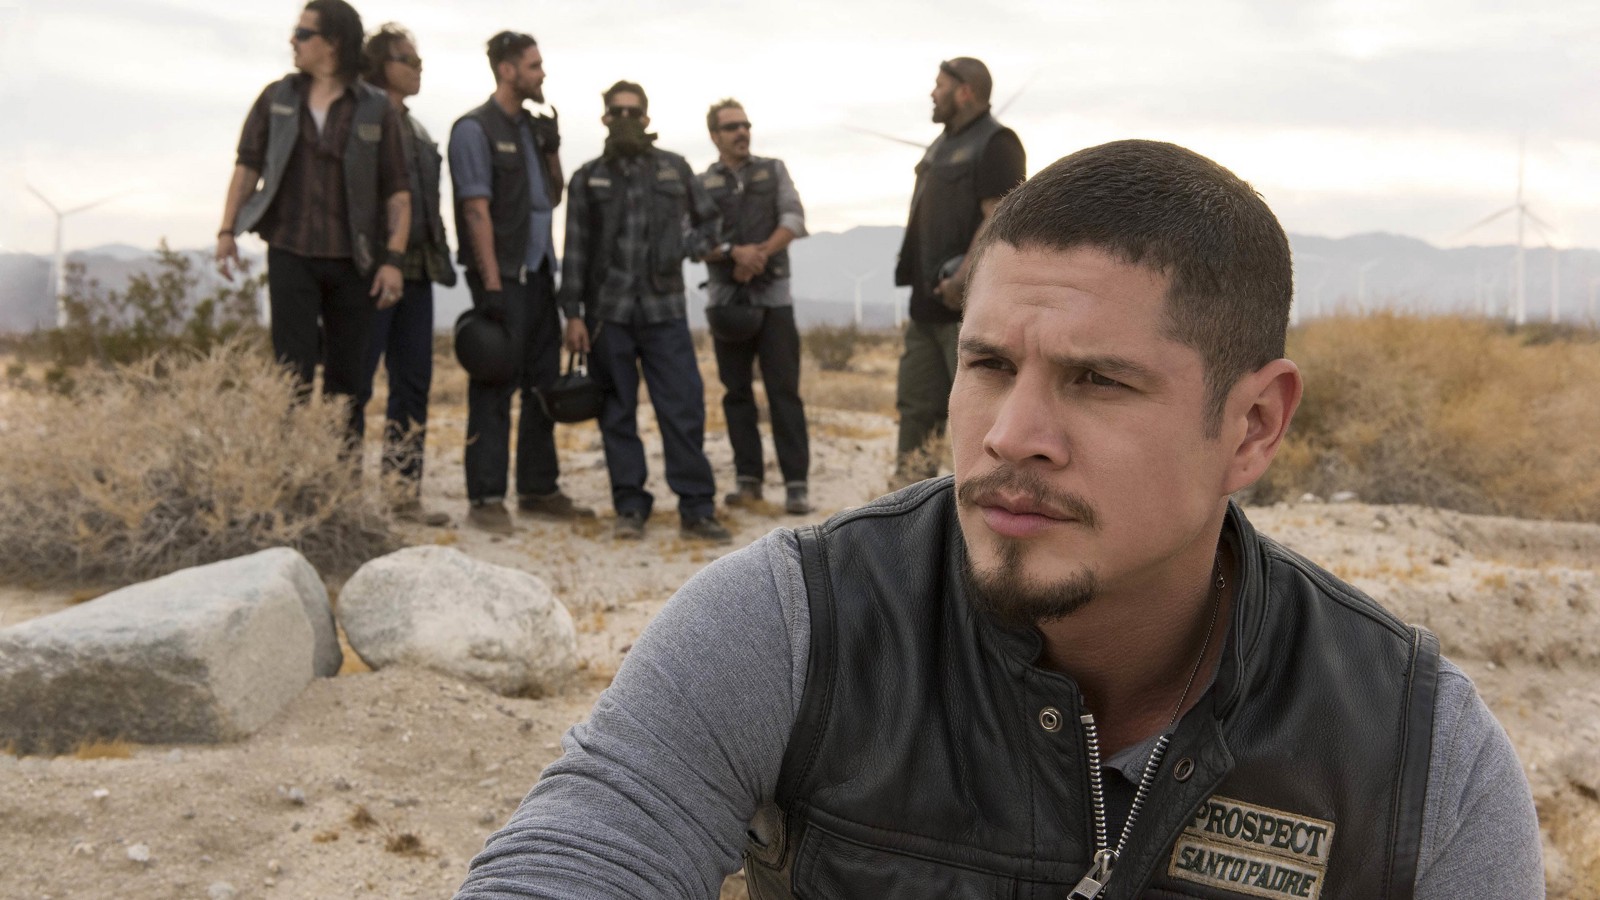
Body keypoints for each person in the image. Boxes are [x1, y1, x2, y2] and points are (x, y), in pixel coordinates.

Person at [453, 141, 1543, 899]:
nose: (1012, 436)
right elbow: (580, 857)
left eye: (1097, 381)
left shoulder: (1413, 754)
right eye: (986, 365)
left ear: (1252, 425)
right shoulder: (798, 625)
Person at [216, 0, 411, 448]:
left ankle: (339, 480)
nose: (294, 41)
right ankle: (292, 476)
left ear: (333, 43)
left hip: (354, 261)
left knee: (348, 386)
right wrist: (226, 231)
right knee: (291, 378)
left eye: (304, 34)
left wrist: (393, 260)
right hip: (290, 251)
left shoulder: (375, 108)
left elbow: (398, 191)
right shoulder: (276, 99)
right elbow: (247, 167)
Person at [558, 81, 730, 544]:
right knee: (617, 412)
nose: (626, 120)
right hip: (607, 314)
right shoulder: (588, 177)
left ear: (647, 118)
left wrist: (686, 246)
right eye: (617, 112)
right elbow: (574, 249)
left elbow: (710, 222)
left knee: (683, 407)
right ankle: (630, 506)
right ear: (605, 119)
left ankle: (697, 509)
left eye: (634, 112)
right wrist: (572, 314)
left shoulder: (674, 168)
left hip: (664, 309)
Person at [448, 31, 591, 535]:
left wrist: (552, 149)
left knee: (541, 381)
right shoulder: (474, 129)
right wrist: (490, 287)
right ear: (507, 70)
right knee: (494, 381)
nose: (541, 73)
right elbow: (476, 210)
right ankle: (486, 499)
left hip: (540, 273)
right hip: (502, 275)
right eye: (533, 65)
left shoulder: (532, 129)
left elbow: (552, 197)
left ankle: (537, 489)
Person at [891, 56, 1025, 488]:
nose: (933, 93)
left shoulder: (997, 142)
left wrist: (963, 278)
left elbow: (999, 218)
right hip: (926, 307)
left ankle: (987, 499)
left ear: (965, 91)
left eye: (940, 85)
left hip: (969, 312)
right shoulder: (940, 145)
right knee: (915, 408)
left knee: (980, 415)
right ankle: (905, 504)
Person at [352, 23, 453, 526]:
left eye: (419, 61)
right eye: (408, 60)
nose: (418, 69)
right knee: (355, 384)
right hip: (370, 272)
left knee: (413, 384)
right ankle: (342, 498)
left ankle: (401, 494)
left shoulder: (418, 130)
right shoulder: (360, 118)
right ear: (380, 64)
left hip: (418, 273)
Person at [697, 99, 812, 516]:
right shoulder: (701, 183)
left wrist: (759, 253)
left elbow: (794, 218)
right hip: (727, 303)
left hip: (774, 299)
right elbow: (692, 237)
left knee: (784, 392)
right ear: (714, 135)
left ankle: (796, 485)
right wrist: (733, 253)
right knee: (736, 393)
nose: (741, 132)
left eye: (745, 125)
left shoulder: (774, 169)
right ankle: (748, 481)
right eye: (731, 127)